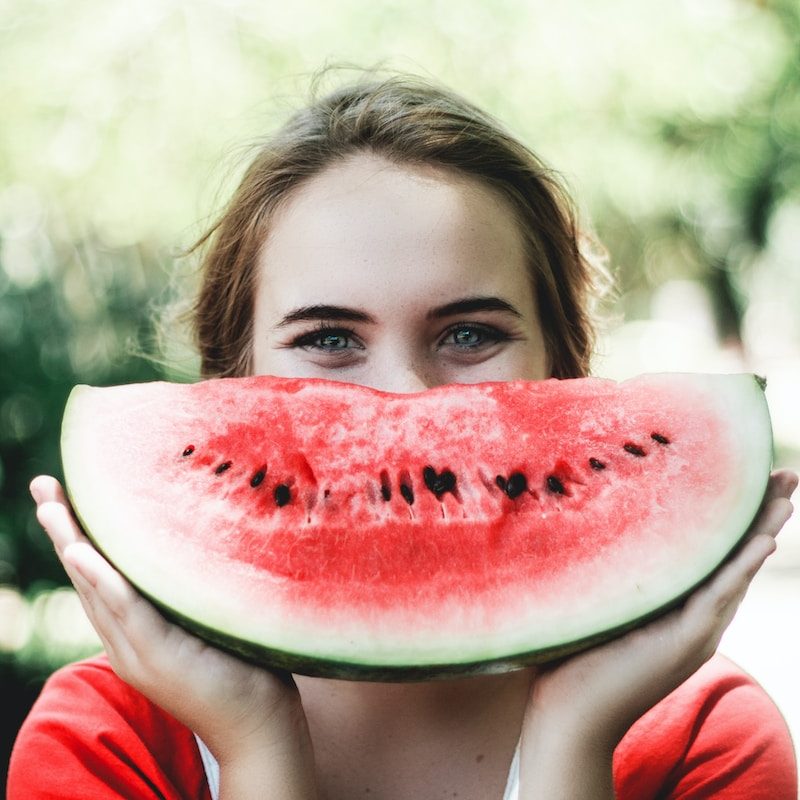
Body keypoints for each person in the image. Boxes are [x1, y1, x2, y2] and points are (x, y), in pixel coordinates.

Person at [8, 72, 798, 800]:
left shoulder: (703, 738)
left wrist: (573, 736)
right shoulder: (107, 742)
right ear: (229, 382)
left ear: (566, 369)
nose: (402, 401)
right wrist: (255, 741)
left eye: (468, 334)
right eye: (326, 339)